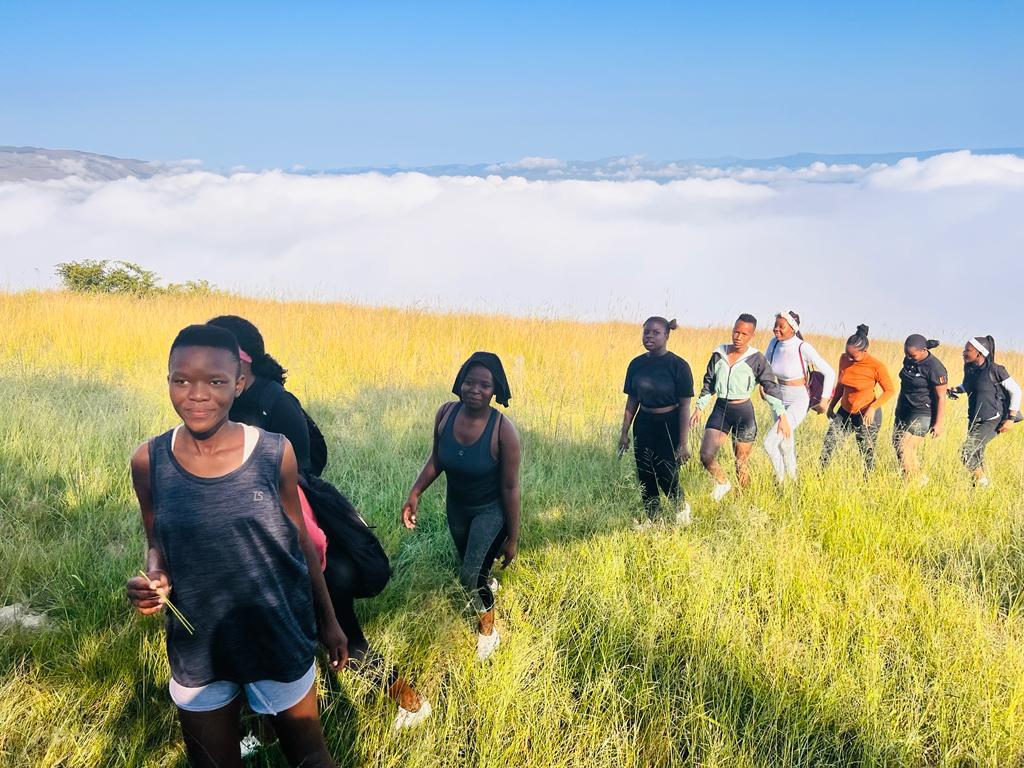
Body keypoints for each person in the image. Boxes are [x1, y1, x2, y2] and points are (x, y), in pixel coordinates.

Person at [125, 324, 345, 768]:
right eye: (181, 380)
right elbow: (157, 543)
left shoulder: (273, 453)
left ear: (240, 383)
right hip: (199, 645)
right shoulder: (149, 461)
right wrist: (155, 578)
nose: (197, 394)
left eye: (216, 381)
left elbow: (301, 541)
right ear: (167, 380)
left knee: (309, 757)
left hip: (277, 634)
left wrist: (329, 621)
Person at [206, 315, 430, 731]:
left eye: (216, 354)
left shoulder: (275, 402)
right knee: (268, 642)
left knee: (340, 638)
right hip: (264, 545)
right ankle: (267, 728)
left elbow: (301, 478)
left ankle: (409, 702)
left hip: (304, 545)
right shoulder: (222, 404)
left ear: (242, 359)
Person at [402, 352, 521, 661]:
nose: (475, 390)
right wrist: (415, 492)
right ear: (460, 382)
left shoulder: (503, 430)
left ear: (495, 390)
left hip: (490, 511)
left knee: (469, 576)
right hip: (457, 507)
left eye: (484, 385)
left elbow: (510, 488)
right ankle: (486, 580)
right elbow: (437, 459)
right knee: (472, 567)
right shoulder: (445, 414)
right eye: (469, 382)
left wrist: (513, 538)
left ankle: (489, 632)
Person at [690, 314, 790, 502]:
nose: (738, 337)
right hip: (720, 410)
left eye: (744, 334)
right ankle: (723, 483)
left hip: (743, 413)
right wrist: (699, 407)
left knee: (741, 462)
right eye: (736, 332)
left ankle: (742, 501)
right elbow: (709, 383)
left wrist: (782, 416)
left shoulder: (756, 359)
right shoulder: (718, 354)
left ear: (752, 335)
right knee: (706, 455)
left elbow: (771, 387)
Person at [618, 317, 694, 526]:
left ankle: (681, 510)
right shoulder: (636, 364)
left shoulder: (679, 366)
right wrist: (624, 433)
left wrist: (683, 443)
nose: (649, 337)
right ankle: (653, 519)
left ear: (667, 335)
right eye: (646, 332)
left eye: (656, 333)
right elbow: (632, 400)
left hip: (669, 422)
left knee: (666, 472)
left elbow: (685, 406)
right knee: (645, 471)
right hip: (643, 422)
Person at [762, 311, 836, 484]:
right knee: (785, 442)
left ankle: (780, 481)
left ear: (793, 328)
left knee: (769, 443)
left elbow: (829, 372)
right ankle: (793, 482)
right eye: (775, 325)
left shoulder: (802, 347)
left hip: (798, 399)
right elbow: (765, 367)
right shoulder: (774, 344)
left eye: (781, 326)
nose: (776, 329)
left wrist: (824, 400)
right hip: (778, 398)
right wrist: (763, 385)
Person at [820, 324, 895, 473]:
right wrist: (831, 406)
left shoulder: (876, 366)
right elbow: (841, 384)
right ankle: (819, 476)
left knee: (866, 452)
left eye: (853, 356)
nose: (849, 358)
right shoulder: (844, 359)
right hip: (845, 411)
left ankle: (868, 482)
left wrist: (873, 408)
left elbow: (890, 390)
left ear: (864, 351)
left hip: (866, 413)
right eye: (847, 354)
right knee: (829, 444)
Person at [948, 335, 1022, 487]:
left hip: (992, 419)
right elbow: (968, 385)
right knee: (976, 454)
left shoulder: (996, 370)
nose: (964, 353)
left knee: (967, 451)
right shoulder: (970, 369)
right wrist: (956, 389)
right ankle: (978, 489)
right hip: (974, 418)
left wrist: (1010, 419)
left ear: (979, 353)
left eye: (967, 350)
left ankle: (984, 484)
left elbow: (1016, 391)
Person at [892, 334, 948, 483]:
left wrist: (938, 423)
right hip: (903, 408)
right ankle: (919, 480)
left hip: (922, 412)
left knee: (905, 447)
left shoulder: (935, 368)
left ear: (924, 350)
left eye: (912, 355)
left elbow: (941, 397)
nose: (908, 358)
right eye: (906, 354)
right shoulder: (908, 360)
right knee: (898, 445)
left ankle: (911, 484)